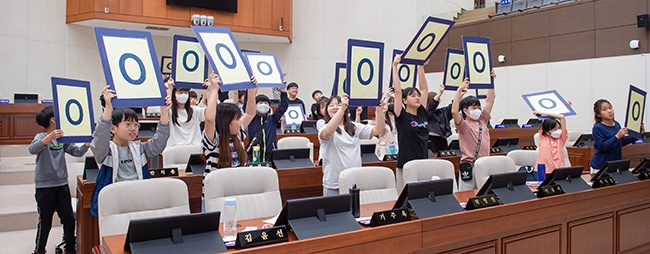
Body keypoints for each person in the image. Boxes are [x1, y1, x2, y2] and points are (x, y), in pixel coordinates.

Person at [89, 85, 171, 217]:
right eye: (128, 124)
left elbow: (160, 141)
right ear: (113, 129)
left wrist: (165, 113)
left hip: (139, 200)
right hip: (115, 202)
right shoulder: (106, 151)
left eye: (136, 125)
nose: (133, 129)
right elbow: (99, 138)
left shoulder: (139, 148)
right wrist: (108, 108)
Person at [29, 106, 89, 254]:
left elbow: (77, 151)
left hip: (62, 184)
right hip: (44, 187)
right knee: (45, 221)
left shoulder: (63, 138)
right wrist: (48, 138)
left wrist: (87, 143)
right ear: (53, 120)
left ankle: (70, 248)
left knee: (68, 219)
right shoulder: (40, 136)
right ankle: (39, 250)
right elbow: (32, 149)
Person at [318, 94, 385, 195]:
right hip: (334, 183)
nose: (335, 107)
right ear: (327, 110)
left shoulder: (354, 127)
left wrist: (379, 111)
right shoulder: (323, 126)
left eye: (339, 104)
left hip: (355, 181)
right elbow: (327, 133)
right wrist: (341, 109)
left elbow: (378, 130)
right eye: (331, 105)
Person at [452, 72, 496, 191]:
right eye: (474, 108)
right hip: (470, 167)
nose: (477, 110)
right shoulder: (463, 125)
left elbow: (490, 101)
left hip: (485, 165)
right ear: (466, 110)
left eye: (478, 107)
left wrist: (491, 83)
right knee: (467, 195)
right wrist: (459, 91)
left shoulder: (483, 120)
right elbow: (454, 112)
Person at [391, 55, 430, 192]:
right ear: (405, 100)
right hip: (405, 165)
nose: (417, 98)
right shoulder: (401, 116)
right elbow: (397, 91)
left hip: (423, 163)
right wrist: (394, 67)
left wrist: (421, 67)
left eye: (418, 95)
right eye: (413, 95)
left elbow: (424, 89)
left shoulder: (422, 113)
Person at [203, 74, 257, 171]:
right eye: (237, 119)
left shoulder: (238, 134)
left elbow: (250, 113)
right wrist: (214, 89)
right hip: (217, 184)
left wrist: (251, 89)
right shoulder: (213, 138)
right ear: (226, 122)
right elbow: (210, 119)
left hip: (237, 183)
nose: (240, 122)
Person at [589, 99, 644, 173]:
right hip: (601, 165)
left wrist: (638, 134)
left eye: (610, 107)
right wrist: (617, 136)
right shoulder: (597, 128)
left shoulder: (616, 124)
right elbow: (602, 147)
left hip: (615, 164)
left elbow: (622, 141)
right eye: (604, 110)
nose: (609, 111)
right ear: (599, 114)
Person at [247, 76, 289, 163]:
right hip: (254, 155)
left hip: (271, 156)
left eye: (265, 103)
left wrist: (283, 91)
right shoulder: (251, 119)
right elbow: (246, 106)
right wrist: (250, 88)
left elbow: (283, 106)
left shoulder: (272, 119)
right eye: (260, 103)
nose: (263, 105)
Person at [166, 79, 208, 147]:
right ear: (174, 94)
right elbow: (164, 109)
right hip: (174, 149)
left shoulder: (194, 110)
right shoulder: (169, 111)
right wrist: (170, 89)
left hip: (194, 149)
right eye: (180, 92)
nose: (183, 95)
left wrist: (209, 91)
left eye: (186, 92)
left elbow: (209, 115)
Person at [426, 85, 454, 154]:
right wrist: (440, 93)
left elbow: (453, 107)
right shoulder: (424, 113)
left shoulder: (442, 112)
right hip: (430, 140)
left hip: (442, 139)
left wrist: (460, 93)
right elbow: (431, 106)